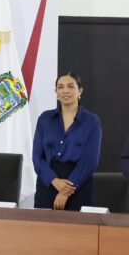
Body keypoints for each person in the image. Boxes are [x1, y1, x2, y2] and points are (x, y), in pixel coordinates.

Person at [32, 72, 102, 211]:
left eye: (70, 86)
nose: (65, 90)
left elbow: (90, 161)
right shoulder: (45, 119)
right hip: (48, 183)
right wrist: (54, 181)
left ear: (80, 91)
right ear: (56, 93)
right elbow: (37, 157)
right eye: (60, 87)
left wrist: (66, 191)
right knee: (43, 224)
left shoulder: (92, 121)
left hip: (79, 186)